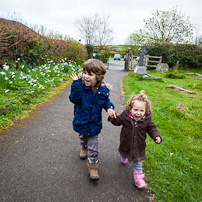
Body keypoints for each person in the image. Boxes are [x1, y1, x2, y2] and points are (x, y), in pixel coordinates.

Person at [69, 59, 116, 180]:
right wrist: (75, 84)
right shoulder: (80, 87)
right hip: (82, 121)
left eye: (90, 74)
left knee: (93, 145)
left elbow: (106, 101)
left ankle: (93, 167)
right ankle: (83, 147)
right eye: (84, 73)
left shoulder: (103, 90)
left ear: (99, 77)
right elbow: (74, 99)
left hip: (94, 123)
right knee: (83, 137)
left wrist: (110, 108)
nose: (85, 77)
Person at [108, 90, 162, 188]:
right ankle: (123, 157)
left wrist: (156, 136)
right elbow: (117, 121)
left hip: (139, 146)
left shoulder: (147, 120)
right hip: (126, 143)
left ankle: (138, 179)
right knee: (123, 153)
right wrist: (113, 117)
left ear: (146, 110)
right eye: (135, 110)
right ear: (130, 109)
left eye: (141, 111)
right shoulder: (125, 116)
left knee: (138, 163)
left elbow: (152, 128)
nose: (138, 113)